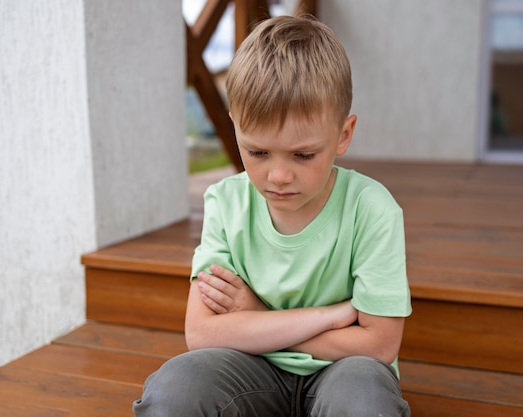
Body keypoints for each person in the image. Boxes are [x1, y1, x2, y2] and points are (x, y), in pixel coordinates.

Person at [133, 14, 412, 417]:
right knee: (174, 389)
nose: (278, 176)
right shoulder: (226, 202)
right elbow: (201, 332)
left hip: (343, 373)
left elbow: (379, 345)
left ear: (343, 135)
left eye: (303, 155)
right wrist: (328, 317)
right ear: (235, 129)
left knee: (367, 402)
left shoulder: (372, 209)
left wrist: (258, 318)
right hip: (247, 371)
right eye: (258, 152)